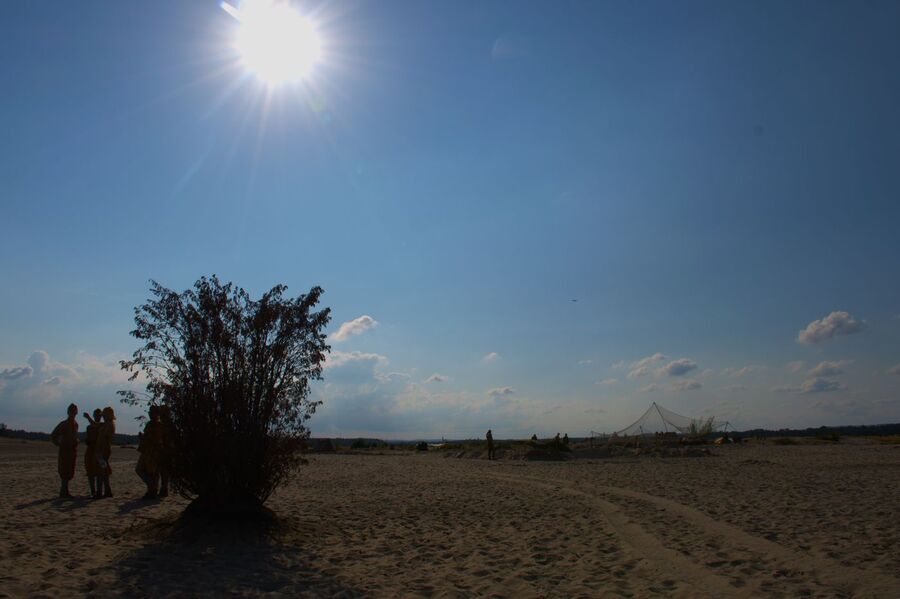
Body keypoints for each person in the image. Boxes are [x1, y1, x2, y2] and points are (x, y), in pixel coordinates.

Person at [51, 404, 79, 498]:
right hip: (65, 451)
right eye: (72, 411)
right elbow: (54, 435)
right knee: (64, 471)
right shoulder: (64, 424)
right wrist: (59, 443)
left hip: (72, 451)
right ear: (68, 412)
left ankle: (65, 491)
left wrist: (76, 441)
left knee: (70, 471)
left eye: (75, 411)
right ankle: (63, 491)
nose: (73, 413)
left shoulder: (75, 424)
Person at [136, 406, 162, 499]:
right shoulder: (150, 424)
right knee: (146, 470)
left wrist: (144, 438)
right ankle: (152, 489)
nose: (150, 414)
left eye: (152, 413)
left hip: (152, 451)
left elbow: (156, 439)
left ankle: (152, 489)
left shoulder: (157, 425)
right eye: (150, 412)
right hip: (147, 450)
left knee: (150, 471)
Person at [95, 406, 116, 498]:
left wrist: (100, 452)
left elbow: (105, 439)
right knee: (104, 470)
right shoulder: (107, 424)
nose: (102, 417)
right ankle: (107, 491)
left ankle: (100, 492)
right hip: (103, 450)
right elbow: (96, 424)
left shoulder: (109, 425)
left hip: (103, 450)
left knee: (102, 470)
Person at [82, 409, 103, 497]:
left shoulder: (102, 425)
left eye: (98, 415)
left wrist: (88, 417)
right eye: (96, 415)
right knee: (90, 471)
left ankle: (99, 491)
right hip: (90, 450)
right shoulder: (89, 427)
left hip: (99, 451)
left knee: (101, 470)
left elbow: (95, 425)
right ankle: (93, 491)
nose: (97, 416)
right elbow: (87, 438)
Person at [157, 405, 173, 498]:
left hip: (165, 450)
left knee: (164, 471)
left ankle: (164, 489)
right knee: (163, 471)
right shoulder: (166, 424)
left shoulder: (166, 425)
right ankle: (164, 488)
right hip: (166, 450)